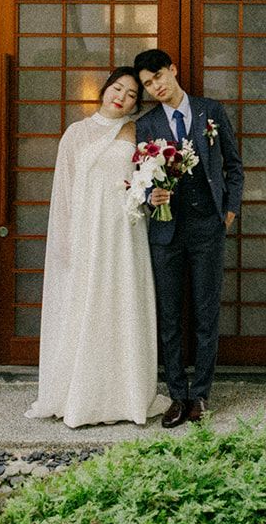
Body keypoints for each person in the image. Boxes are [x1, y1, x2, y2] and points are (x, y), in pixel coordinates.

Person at [27, 67, 166, 428]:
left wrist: (153, 197)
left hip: (125, 230)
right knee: (88, 305)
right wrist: (67, 241)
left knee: (123, 302)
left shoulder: (138, 131)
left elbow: (145, 182)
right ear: (105, 90)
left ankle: (127, 393)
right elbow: (65, 191)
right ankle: (83, 394)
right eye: (117, 88)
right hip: (88, 231)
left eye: (132, 94)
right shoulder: (76, 134)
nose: (122, 97)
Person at [132, 49, 244, 427]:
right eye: (148, 84)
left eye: (159, 77)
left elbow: (234, 164)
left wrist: (230, 210)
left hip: (208, 228)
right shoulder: (146, 125)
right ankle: (176, 394)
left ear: (172, 70)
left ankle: (201, 395)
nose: (156, 87)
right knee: (169, 315)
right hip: (166, 231)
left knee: (206, 313)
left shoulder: (210, 110)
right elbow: (139, 176)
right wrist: (151, 196)